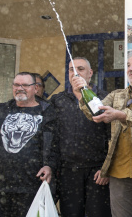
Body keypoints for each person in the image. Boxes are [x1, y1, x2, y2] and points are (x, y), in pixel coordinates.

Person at [72, 49, 132, 217]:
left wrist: (120, 115)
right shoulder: (117, 95)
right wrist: (83, 93)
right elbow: (95, 112)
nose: (130, 69)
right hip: (118, 174)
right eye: (128, 65)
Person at [0, 72, 59, 217]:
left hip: (31, 185)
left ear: (35, 88)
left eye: (25, 85)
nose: (20, 88)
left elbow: (55, 146)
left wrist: (49, 165)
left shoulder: (47, 113)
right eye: (16, 84)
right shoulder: (0, 111)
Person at [50, 57, 111, 217]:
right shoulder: (58, 100)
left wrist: (107, 168)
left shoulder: (105, 98)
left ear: (90, 73)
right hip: (68, 172)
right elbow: (52, 138)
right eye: (71, 69)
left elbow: (114, 135)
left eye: (81, 69)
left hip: (97, 172)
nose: (75, 73)